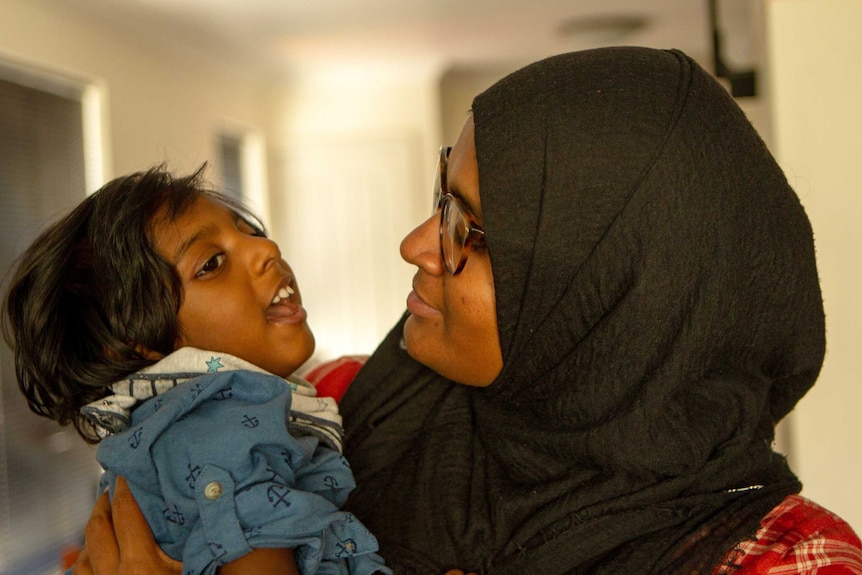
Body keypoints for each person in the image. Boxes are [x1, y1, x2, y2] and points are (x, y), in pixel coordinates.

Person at [64, 47, 862, 574]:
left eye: (465, 230)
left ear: (602, 300)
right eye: (438, 193)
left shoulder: (789, 560)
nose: (416, 243)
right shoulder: (329, 407)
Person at [1, 167, 391, 575]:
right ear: (140, 342)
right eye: (212, 263)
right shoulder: (218, 429)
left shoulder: (178, 427)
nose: (268, 248)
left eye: (250, 232)